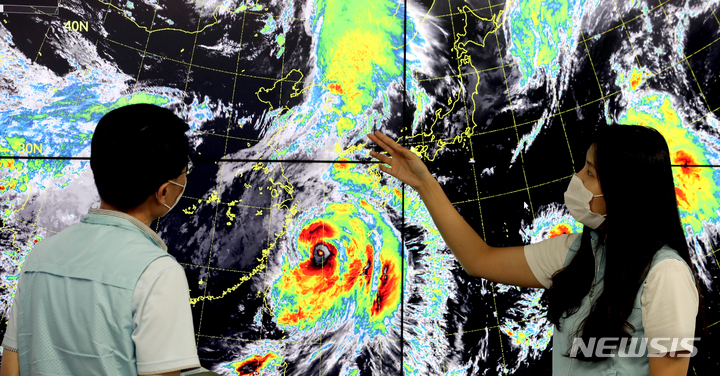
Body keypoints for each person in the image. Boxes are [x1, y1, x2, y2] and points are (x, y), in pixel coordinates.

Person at [367, 124, 705, 376]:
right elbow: (478, 260)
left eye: (590, 172)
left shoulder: (666, 276)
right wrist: (425, 184)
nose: (577, 178)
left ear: (623, 190)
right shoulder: (579, 252)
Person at [0, 104, 215, 375]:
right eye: (184, 171)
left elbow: (10, 368)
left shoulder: (39, 257)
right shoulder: (157, 272)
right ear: (163, 192)